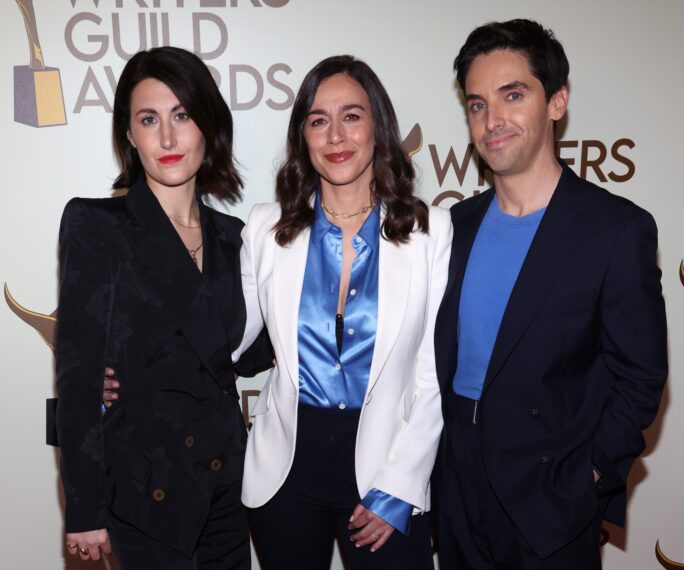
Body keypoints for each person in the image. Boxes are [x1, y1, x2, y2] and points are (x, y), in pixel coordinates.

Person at [432, 19, 668, 569]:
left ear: (557, 102)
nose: (493, 120)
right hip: (456, 489)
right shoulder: (452, 226)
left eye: (513, 95)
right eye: (477, 104)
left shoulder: (614, 229)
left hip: (550, 496)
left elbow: (641, 376)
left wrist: (588, 474)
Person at [231, 55, 451, 569]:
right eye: (318, 120)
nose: (335, 135)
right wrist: (128, 371)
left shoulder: (430, 231)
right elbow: (224, 339)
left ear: (379, 127)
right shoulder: (265, 229)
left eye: (351, 116)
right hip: (285, 467)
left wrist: (400, 486)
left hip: (386, 464)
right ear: (302, 137)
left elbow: (434, 371)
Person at [56, 46, 270, 569]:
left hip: (226, 491)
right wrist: (84, 507)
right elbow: (77, 376)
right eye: (149, 120)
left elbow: (248, 353)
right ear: (130, 135)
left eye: (182, 116)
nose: (168, 139)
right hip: (142, 494)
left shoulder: (236, 238)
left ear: (208, 126)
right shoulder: (96, 226)